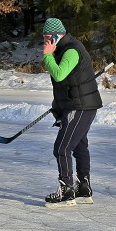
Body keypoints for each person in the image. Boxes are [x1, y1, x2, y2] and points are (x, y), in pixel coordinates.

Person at [42, 18, 102, 208]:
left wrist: (47, 56)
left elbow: (59, 74)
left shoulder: (72, 50)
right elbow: (66, 84)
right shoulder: (64, 49)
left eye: (46, 38)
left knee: (62, 148)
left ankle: (67, 191)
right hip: (78, 105)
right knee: (79, 146)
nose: (44, 41)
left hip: (80, 106)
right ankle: (83, 189)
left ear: (55, 37)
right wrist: (58, 107)